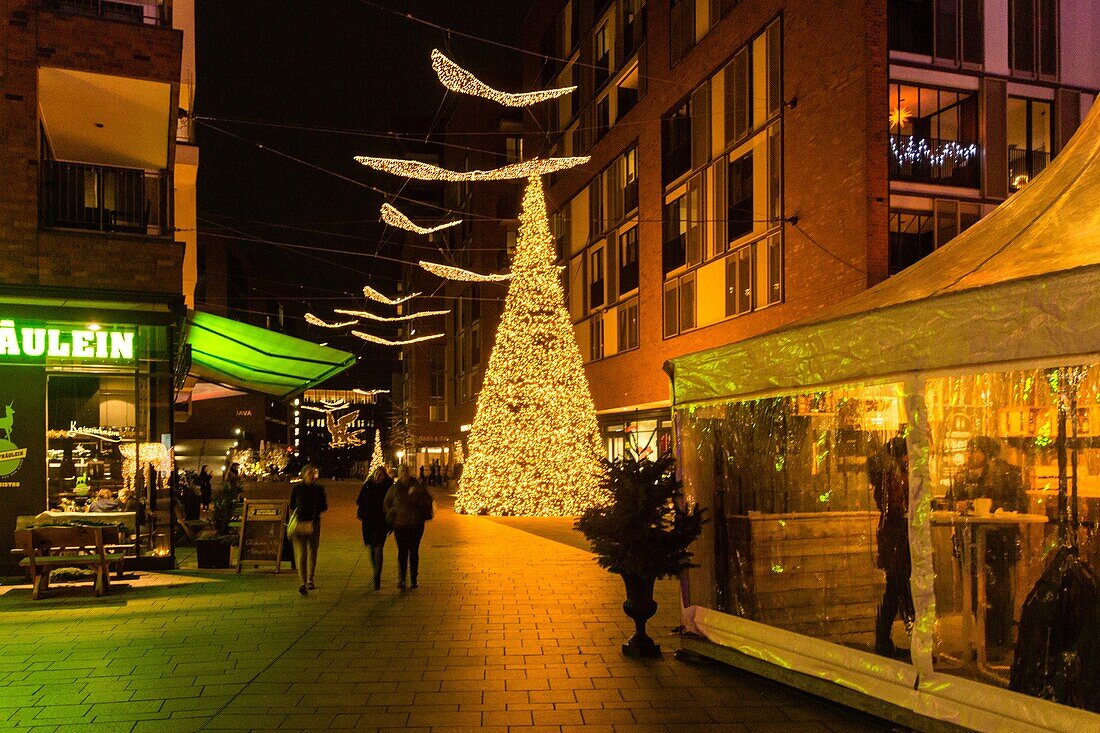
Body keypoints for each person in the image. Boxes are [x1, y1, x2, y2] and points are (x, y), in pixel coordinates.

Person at [947, 435, 1028, 656]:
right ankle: (983, 641)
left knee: (998, 591)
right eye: (968, 450)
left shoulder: (1007, 474)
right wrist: (958, 504)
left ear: (987, 453)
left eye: (975, 450)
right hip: (972, 540)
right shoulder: (962, 476)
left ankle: (997, 642)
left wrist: (987, 506)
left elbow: (1020, 504)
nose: (969, 455)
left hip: (998, 541)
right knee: (974, 590)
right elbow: (950, 500)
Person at [870, 436, 914, 658]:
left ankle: (884, 641)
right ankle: (917, 645)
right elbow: (897, 506)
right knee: (903, 589)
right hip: (898, 538)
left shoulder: (888, 474)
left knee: (895, 590)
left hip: (891, 537)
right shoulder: (895, 475)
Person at [383, 464, 434, 589]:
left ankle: (413, 579)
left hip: (416, 524)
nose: (403, 473)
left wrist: (416, 495)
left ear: (409, 472)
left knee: (414, 551)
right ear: (399, 473)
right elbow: (386, 503)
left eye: (405, 471)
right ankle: (401, 579)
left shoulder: (417, 486)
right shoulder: (394, 488)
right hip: (400, 525)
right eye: (401, 471)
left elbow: (428, 501)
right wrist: (390, 513)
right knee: (402, 552)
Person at [289, 464, 328, 596]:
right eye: (310, 473)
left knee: (313, 551)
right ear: (304, 475)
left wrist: (317, 508)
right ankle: (302, 582)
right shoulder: (297, 489)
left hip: (314, 523)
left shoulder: (319, 489)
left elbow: (324, 506)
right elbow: (292, 505)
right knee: (302, 554)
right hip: (300, 523)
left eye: (314, 473)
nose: (312, 476)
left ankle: (310, 578)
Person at [357, 466, 394, 590]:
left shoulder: (388, 487)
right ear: (373, 474)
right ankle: (375, 571)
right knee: (372, 547)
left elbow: (392, 503)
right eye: (377, 474)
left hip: (381, 522)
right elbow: (359, 501)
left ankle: (377, 575)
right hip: (368, 521)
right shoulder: (367, 486)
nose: (378, 476)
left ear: (384, 476)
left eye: (381, 475)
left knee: (378, 547)